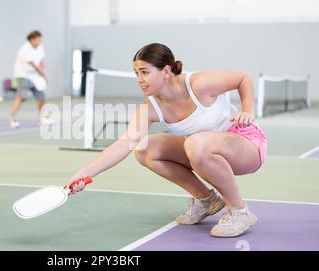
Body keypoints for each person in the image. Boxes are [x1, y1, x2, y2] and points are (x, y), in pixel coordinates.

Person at [66, 43, 267, 238]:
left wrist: (247, 110)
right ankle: (207, 200)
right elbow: (123, 144)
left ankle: (240, 211)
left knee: (195, 143)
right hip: (201, 149)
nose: (139, 79)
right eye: (136, 73)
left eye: (144, 72)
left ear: (166, 71)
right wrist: (83, 173)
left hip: (245, 144)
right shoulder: (150, 107)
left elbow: (243, 78)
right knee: (145, 150)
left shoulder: (198, 84)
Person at [10, 30, 50, 128]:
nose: (39, 42)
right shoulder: (24, 50)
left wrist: (43, 74)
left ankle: (41, 119)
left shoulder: (40, 47)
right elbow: (35, 66)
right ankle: (13, 118)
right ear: (31, 40)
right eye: (38, 40)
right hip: (22, 75)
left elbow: (41, 62)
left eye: (40, 40)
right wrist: (45, 77)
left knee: (41, 97)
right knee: (22, 96)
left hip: (35, 76)